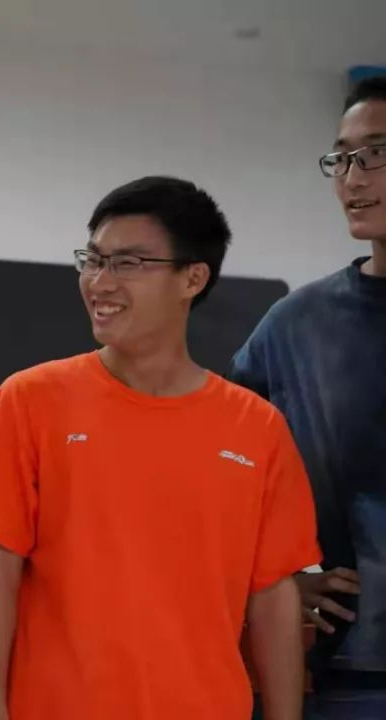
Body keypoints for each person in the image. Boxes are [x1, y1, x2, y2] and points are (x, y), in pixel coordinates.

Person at [0, 176, 321, 720]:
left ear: (193, 277)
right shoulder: (31, 400)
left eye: (128, 264)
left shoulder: (257, 429)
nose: (100, 282)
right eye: (93, 260)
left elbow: (273, 595)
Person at [229, 75, 386, 718]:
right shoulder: (297, 327)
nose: (352, 177)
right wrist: (273, 578)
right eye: (341, 158)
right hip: (349, 675)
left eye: (375, 153)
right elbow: (219, 468)